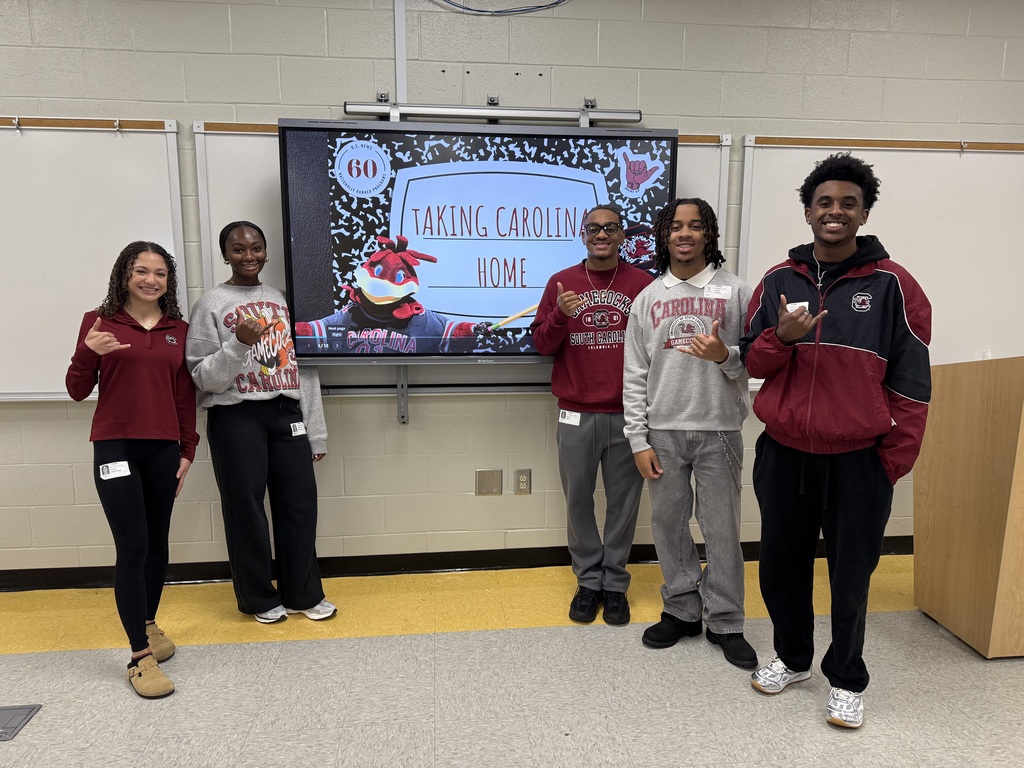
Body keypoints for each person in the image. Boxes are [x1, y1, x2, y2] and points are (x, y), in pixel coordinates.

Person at [741, 154, 931, 728]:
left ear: (863, 212)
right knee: (781, 566)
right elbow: (751, 360)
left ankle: (847, 677)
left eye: (848, 203)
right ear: (808, 212)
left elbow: (914, 384)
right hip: (785, 453)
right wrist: (782, 337)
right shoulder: (779, 280)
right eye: (825, 202)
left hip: (858, 461)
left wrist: (888, 465)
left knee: (852, 575)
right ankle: (794, 659)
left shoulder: (895, 286)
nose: (836, 211)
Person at [622, 198, 757, 669]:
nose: (685, 234)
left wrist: (724, 355)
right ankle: (681, 608)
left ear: (708, 235)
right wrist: (638, 439)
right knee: (668, 525)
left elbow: (753, 360)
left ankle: (725, 618)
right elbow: (634, 372)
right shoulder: (648, 298)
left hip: (719, 429)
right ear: (665, 236)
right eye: (676, 227)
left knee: (722, 528)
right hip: (662, 432)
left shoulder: (737, 292)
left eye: (695, 227)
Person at [66, 241, 198, 699]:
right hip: (115, 446)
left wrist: (188, 449)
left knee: (157, 543)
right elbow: (77, 390)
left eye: (160, 273)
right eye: (141, 271)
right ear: (124, 274)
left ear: (168, 281)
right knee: (133, 545)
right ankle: (139, 657)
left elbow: (184, 395)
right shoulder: (98, 322)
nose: (150, 280)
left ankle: (148, 622)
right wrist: (88, 353)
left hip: (163, 449)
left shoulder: (178, 329)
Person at [186, 221, 335, 624]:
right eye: (238, 249)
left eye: (256, 248)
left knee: (299, 505)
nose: (248, 256)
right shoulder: (210, 305)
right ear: (225, 255)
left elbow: (306, 369)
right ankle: (258, 599)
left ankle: (303, 593)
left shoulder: (286, 301)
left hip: (286, 413)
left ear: (267, 252)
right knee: (245, 510)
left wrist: (315, 430)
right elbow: (202, 378)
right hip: (236, 415)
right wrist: (238, 345)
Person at [530, 203, 653, 625]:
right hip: (575, 413)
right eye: (593, 228)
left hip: (628, 414)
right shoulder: (560, 282)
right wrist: (562, 316)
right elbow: (542, 345)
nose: (601, 234)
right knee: (578, 500)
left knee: (623, 503)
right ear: (582, 235)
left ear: (622, 236)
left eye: (610, 228)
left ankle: (615, 583)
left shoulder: (643, 284)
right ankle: (588, 581)